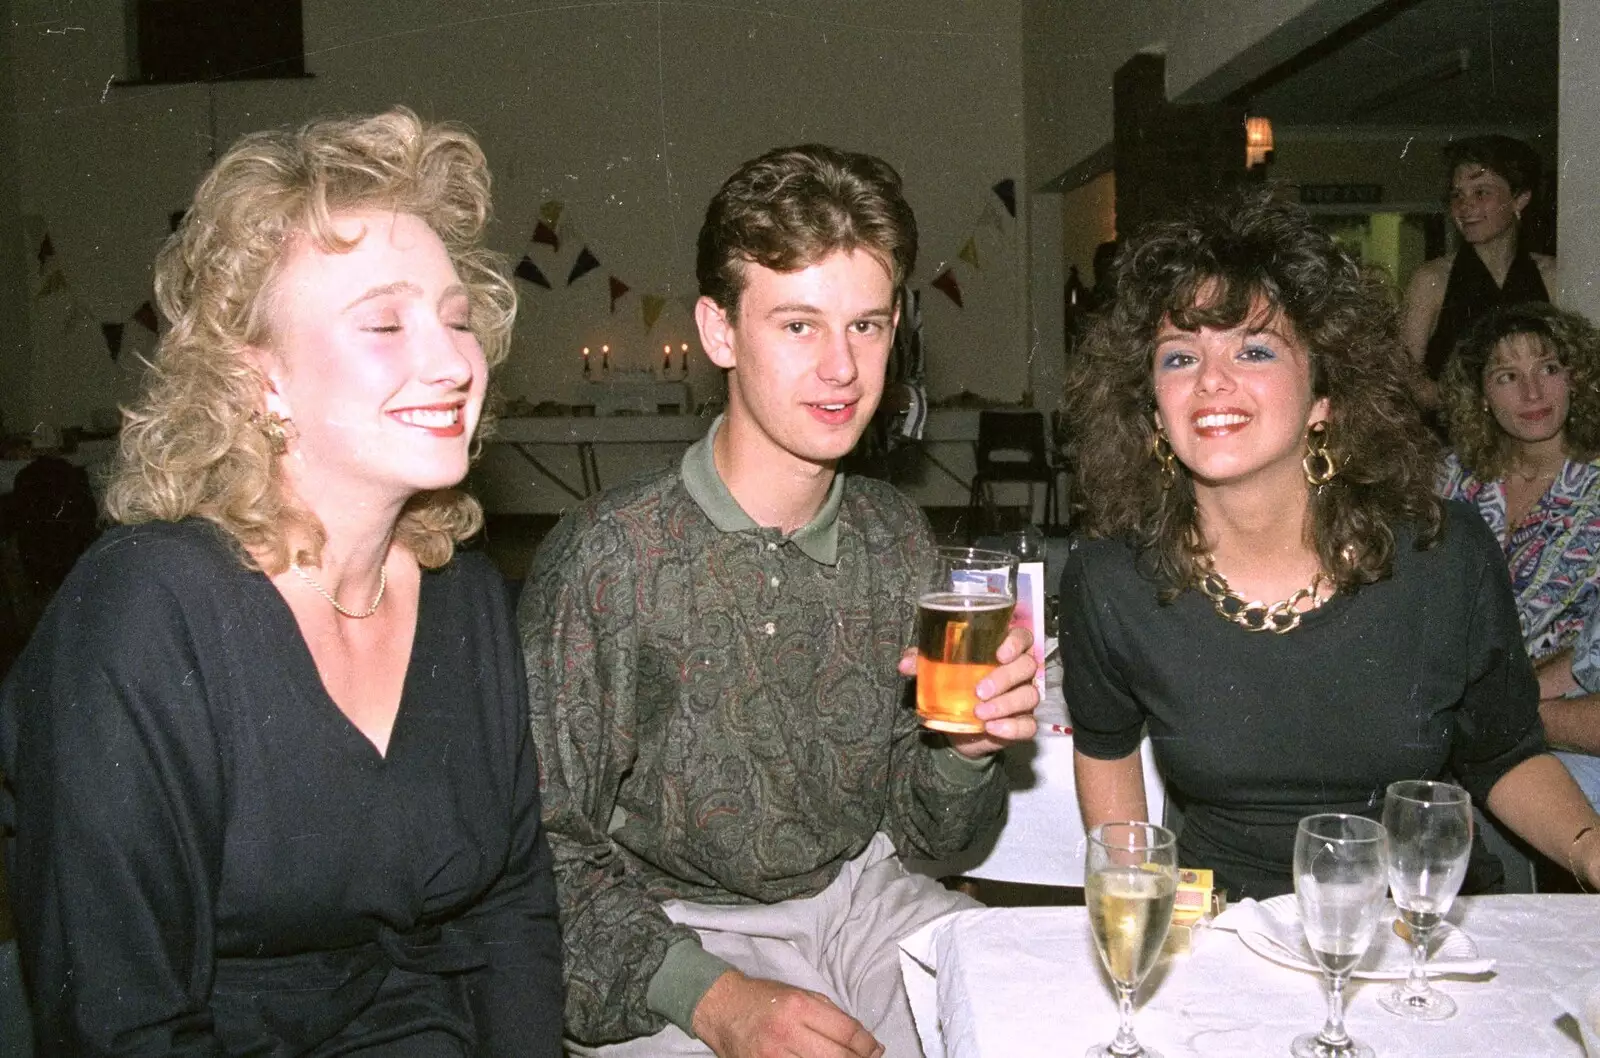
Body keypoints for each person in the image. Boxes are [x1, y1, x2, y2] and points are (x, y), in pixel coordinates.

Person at [0, 108, 563, 1054]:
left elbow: (511, 917)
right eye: (384, 321)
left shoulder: (463, 593)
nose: (452, 362)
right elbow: (120, 1023)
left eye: (456, 319)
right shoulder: (144, 614)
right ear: (260, 378)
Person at [520, 143, 1040, 1057]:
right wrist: (716, 1000)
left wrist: (965, 753)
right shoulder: (610, 558)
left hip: (859, 901)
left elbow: (935, 840)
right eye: (799, 325)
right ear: (720, 333)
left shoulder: (898, 539)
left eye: (868, 326)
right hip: (664, 939)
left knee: (1022, 1016)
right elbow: (536, 851)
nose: (843, 368)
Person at [1059, 192, 1600, 902]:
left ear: (1325, 394)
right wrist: (1143, 905)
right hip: (1225, 928)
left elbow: (1504, 754)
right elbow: (1107, 752)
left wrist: (1590, 852)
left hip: (1417, 927)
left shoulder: (1445, 555)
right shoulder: (1111, 579)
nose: (1212, 380)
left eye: (1254, 348)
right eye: (1180, 356)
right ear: (1153, 409)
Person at [1437, 303, 1600, 812]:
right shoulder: (1452, 480)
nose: (1533, 393)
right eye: (1508, 376)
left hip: (1560, 719)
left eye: (1548, 369)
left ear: (1576, 379)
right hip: (1444, 707)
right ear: (1481, 395)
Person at [1402, 135, 1557, 406]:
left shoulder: (1552, 275)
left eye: (1481, 192)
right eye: (1457, 195)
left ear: (1520, 199)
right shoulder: (1432, 279)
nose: (1465, 206)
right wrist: (1477, 404)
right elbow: (1404, 378)